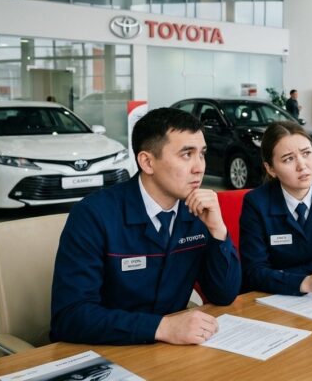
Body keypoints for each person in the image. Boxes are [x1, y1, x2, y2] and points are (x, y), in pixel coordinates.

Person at [50, 108, 242, 345]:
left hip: (168, 350)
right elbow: (70, 317)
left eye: (202, 154)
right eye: (186, 154)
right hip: (106, 349)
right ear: (147, 162)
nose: (199, 167)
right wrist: (162, 327)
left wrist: (218, 233)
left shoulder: (196, 211)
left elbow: (223, 295)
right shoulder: (93, 215)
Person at [239, 121, 312, 295]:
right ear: (271, 169)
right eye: (288, 159)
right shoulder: (256, 203)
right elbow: (254, 271)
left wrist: (285, 275)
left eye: (306, 153)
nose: (302, 165)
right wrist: (304, 282)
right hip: (268, 298)